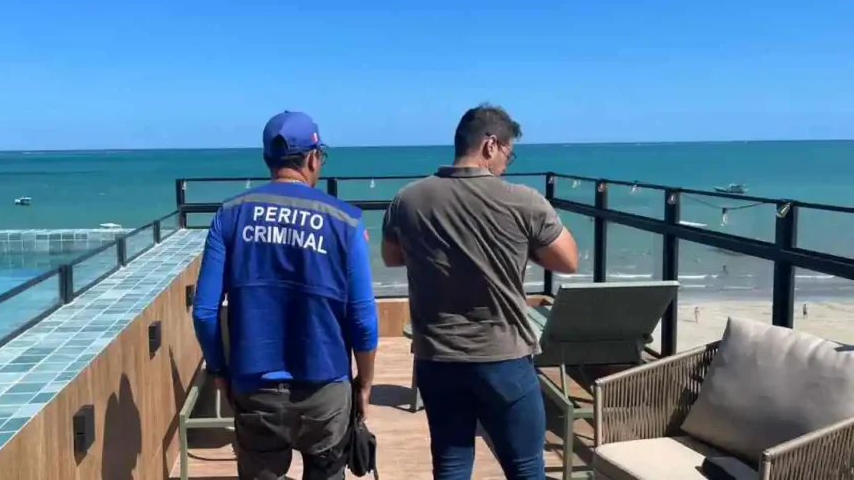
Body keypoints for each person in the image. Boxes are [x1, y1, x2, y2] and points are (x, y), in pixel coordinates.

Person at [380, 104, 578, 479]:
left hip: (437, 356)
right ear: (490, 146)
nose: (507, 162)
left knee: (452, 464)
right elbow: (568, 260)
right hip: (503, 357)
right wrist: (522, 248)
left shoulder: (409, 199)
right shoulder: (523, 200)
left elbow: (391, 257)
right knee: (525, 467)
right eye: (508, 152)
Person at [192, 111, 379, 480]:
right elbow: (363, 318)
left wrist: (219, 370)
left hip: (255, 385)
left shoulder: (228, 215)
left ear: (268, 159)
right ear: (312, 158)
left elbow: (204, 313)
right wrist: (365, 382)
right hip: (325, 386)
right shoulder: (346, 223)